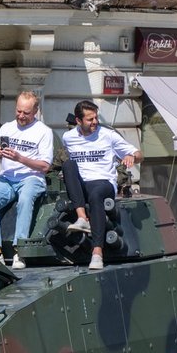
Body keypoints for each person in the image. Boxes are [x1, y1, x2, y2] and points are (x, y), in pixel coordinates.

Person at [61, 99, 142, 270]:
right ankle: (82, 217)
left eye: (96, 118)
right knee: (68, 165)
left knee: (96, 194)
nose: (95, 122)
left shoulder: (108, 135)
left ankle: (97, 253)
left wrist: (132, 157)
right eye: (90, 119)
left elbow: (139, 154)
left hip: (103, 182)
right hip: (82, 183)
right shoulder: (68, 138)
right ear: (78, 121)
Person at [0, 91, 53, 270]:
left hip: (31, 177)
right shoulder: (6, 128)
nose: (21, 116)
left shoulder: (43, 131)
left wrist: (20, 158)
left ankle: (18, 249)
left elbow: (45, 166)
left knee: (25, 200)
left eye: (26, 113)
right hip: (7, 177)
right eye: (18, 111)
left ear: (35, 111)